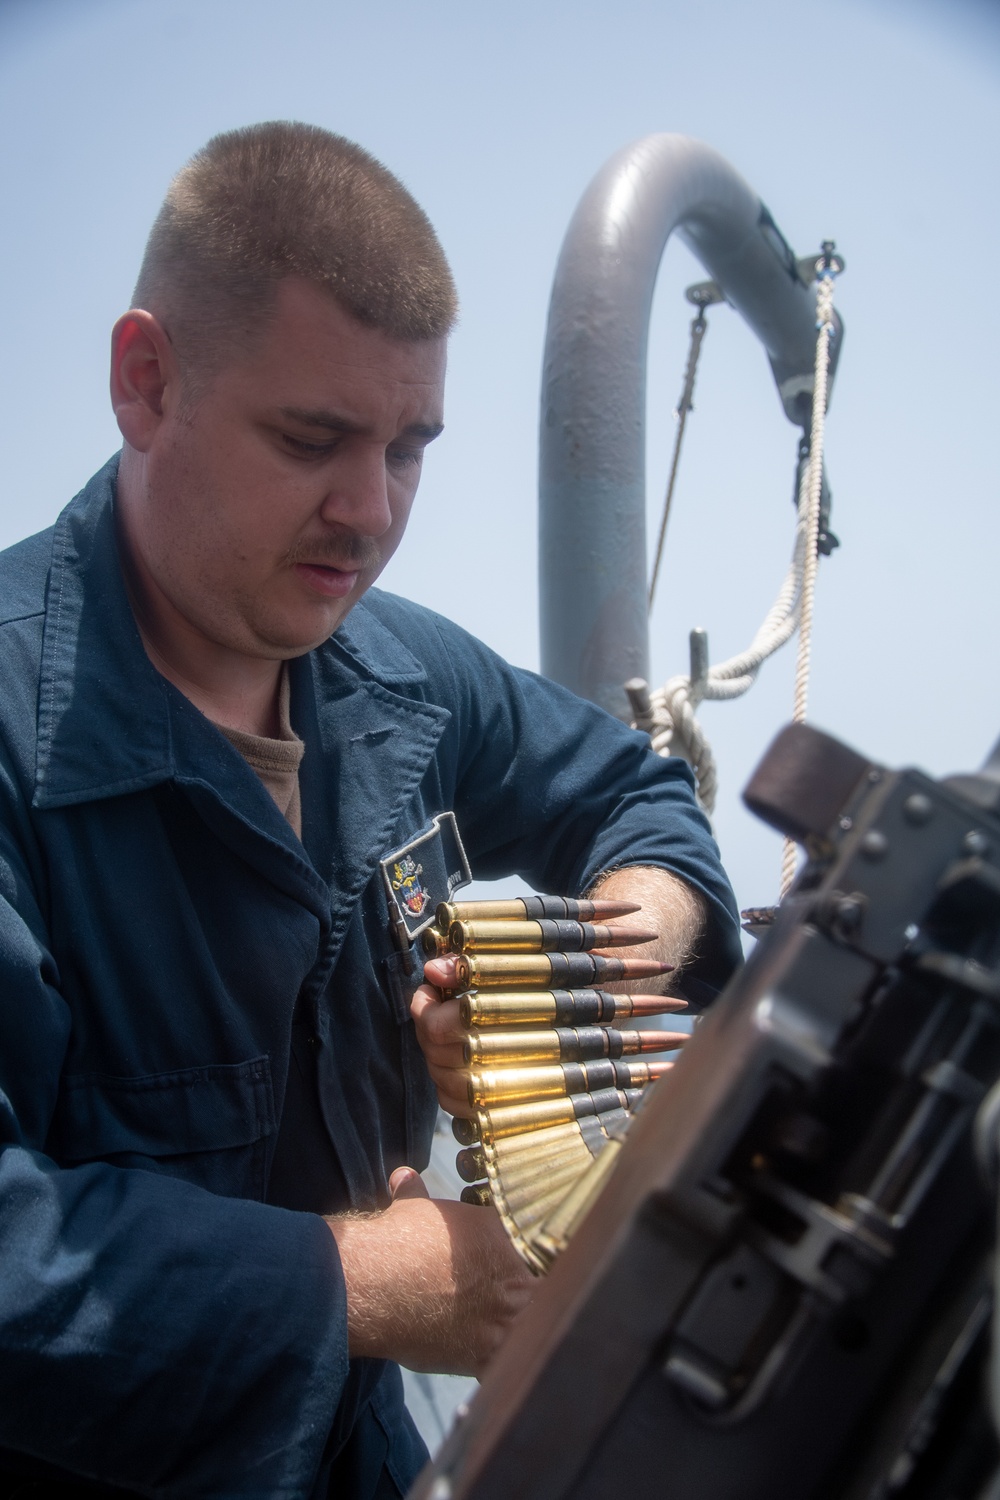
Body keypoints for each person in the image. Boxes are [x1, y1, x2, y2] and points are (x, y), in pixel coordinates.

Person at [0, 122, 741, 1498]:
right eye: (313, 438)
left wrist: (582, 969)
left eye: (412, 447)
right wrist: (357, 1284)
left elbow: (637, 798)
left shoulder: (412, 675)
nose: (371, 508)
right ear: (144, 382)